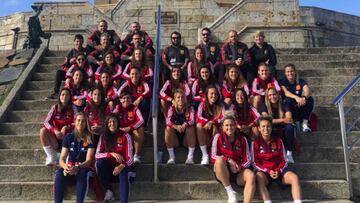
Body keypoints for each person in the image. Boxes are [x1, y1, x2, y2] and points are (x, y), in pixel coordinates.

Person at [252, 116, 302, 203]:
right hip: (265, 173)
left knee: (294, 177)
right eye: (263, 126)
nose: (266, 128)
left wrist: (277, 170)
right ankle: (267, 201)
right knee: (259, 177)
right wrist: (268, 171)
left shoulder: (278, 141)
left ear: (271, 128)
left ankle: (298, 201)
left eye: (268, 126)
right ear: (259, 128)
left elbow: (284, 160)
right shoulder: (255, 142)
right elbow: (254, 162)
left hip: (279, 171)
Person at [211, 111, 255, 203]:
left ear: (235, 126)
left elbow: (248, 159)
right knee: (219, 160)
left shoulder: (242, 139)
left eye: (231, 125)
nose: (229, 127)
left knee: (250, 175)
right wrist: (229, 160)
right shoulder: (218, 137)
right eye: (226, 125)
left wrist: (240, 167)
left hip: (238, 171)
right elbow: (213, 156)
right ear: (222, 127)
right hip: (223, 171)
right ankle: (230, 192)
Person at [54, 112, 95, 203]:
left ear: (86, 123)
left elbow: (88, 161)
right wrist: (66, 167)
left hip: (84, 168)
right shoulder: (68, 137)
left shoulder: (90, 138)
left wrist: (78, 167)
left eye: (83, 121)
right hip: (71, 168)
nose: (80, 123)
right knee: (59, 173)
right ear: (75, 122)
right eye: (78, 120)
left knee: (83, 173)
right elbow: (62, 159)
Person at [95, 114, 135, 203]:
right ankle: (109, 191)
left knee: (123, 171)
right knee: (99, 163)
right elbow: (97, 155)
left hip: (126, 170)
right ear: (106, 124)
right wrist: (111, 154)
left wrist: (122, 165)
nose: (112, 124)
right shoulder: (103, 137)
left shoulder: (126, 136)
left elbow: (131, 159)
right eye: (109, 122)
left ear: (118, 123)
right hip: (111, 173)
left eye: (114, 121)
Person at [39, 88, 74, 165]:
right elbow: (46, 122)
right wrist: (55, 130)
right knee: (43, 131)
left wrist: (67, 127)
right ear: (59, 96)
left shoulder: (73, 108)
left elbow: (77, 122)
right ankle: (51, 156)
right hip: (56, 138)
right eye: (63, 94)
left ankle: (69, 155)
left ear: (70, 97)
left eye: (67, 95)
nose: (64, 97)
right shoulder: (54, 108)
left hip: (69, 139)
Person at [261, 87, 295, 163]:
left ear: (278, 94)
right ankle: (271, 153)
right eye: (270, 95)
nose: (272, 97)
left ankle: (289, 153)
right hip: (271, 128)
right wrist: (282, 120)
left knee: (290, 127)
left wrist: (274, 121)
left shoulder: (285, 103)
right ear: (267, 97)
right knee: (267, 128)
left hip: (283, 128)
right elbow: (266, 120)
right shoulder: (265, 105)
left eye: (274, 94)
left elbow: (289, 119)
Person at [46, 34, 86, 100]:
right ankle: (56, 92)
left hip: (82, 73)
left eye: (81, 42)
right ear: (74, 42)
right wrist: (69, 66)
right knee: (59, 73)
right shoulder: (70, 52)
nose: (79, 43)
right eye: (77, 41)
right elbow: (64, 65)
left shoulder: (86, 51)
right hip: (71, 73)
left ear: (83, 42)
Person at [165, 89, 196, 164]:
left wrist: (184, 125)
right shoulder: (171, 109)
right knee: (168, 129)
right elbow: (167, 121)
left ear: (185, 99)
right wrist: (176, 127)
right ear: (174, 99)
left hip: (186, 139)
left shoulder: (190, 108)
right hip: (175, 139)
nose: (180, 99)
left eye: (182, 97)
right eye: (178, 97)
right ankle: (171, 157)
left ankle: (190, 157)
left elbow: (192, 120)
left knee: (191, 127)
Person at [280, 64, 314, 132]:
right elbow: (286, 92)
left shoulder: (300, 81)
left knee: (310, 99)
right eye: (288, 71)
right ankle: (291, 122)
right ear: (285, 73)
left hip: (299, 105)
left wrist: (304, 98)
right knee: (287, 100)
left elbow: (308, 91)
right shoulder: (282, 81)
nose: (290, 73)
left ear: (295, 72)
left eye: (292, 71)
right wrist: (296, 97)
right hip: (289, 108)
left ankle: (304, 123)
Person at [113, 91, 145, 164]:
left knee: (140, 129)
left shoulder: (134, 108)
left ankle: (136, 155)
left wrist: (130, 127)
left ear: (131, 100)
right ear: (120, 100)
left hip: (131, 130)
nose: (126, 100)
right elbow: (111, 117)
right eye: (124, 98)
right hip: (120, 130)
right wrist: (119, 128)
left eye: (128, 98)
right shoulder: (118, 107)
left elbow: (141, 120)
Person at [196, 85, 224, 165]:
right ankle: (205, 155)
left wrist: (212, 122)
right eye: (211, 94)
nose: (214, 96)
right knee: (199, 126)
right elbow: (198, 117)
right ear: (207, 95)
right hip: (206, 133)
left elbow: (223, 117)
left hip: (216, 132)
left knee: (224, 127)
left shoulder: (220, 105)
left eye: (215, 94)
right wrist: (208, 122)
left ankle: (219, 154)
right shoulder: (202, 104)